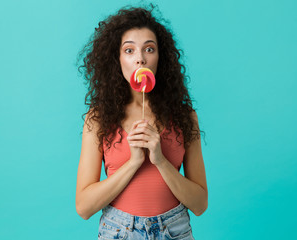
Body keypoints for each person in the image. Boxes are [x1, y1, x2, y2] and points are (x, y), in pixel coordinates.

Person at [75, 4, 208, 240]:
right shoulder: (98, 120)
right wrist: (134, 162)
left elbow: (199, 204)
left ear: (161, 57)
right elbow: (84, 207)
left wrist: (159, 160)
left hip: (175, 229)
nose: (140, 59)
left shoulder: (185, 117)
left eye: (149, 49)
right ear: (116, 59)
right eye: (129, 50)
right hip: (118, 231)